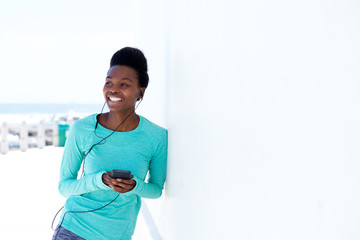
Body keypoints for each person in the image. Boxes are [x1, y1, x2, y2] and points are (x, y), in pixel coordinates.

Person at [52, 47, 168, 240]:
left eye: (124, 84)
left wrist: (134, 186)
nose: (113, 90)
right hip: (74, 231)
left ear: (140, 91)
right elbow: (64, 186)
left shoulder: (156, 137)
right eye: (109, 82)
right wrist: (100, 180)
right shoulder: (82, 129)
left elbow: (155, 189)